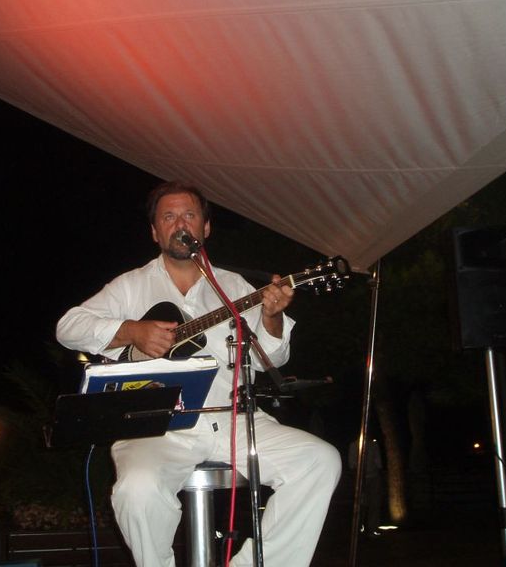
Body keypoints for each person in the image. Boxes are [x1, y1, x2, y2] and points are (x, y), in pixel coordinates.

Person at [56, 181, 342, 567]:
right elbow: (69, 327)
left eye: (189, 215)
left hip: (232, 419)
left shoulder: (234, 286)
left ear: (205, 227)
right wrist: (131, 331)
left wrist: (271, 316)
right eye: (168, 217)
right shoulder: (130, 286)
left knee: (320, 460)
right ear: (155, 232)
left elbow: (270, 359)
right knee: (137, 490)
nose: (180, 224)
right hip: (157, 426)